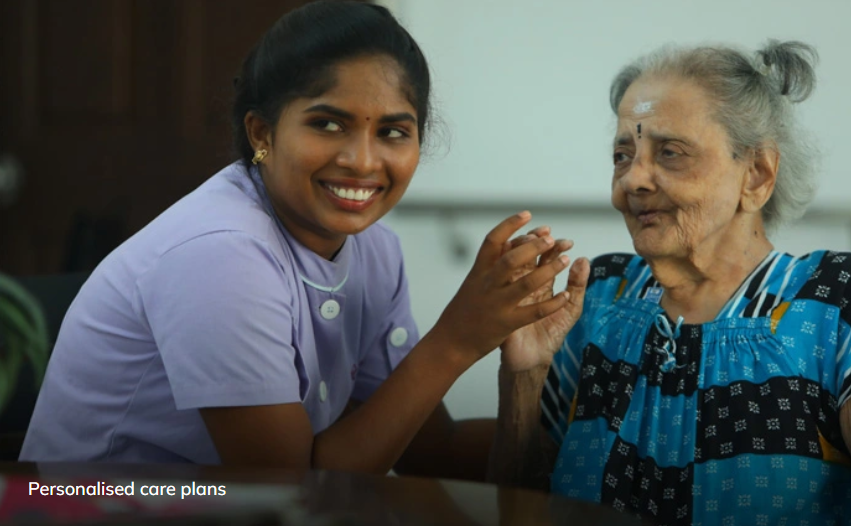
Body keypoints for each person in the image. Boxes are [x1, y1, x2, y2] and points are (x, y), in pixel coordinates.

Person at [20, 1, 577, 480]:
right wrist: (457, 338)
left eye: (392, 132)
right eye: (328, 124)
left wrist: (590, 434)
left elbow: (432, 450)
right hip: (93, 504)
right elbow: (296, 488)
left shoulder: (376, 252)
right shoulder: (221, 252)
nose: (362, 161)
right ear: (261, 132)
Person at [488, 40, 851, 525]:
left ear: (757, 175)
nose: (632, 180)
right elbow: (521, 507)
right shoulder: (600, 295)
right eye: (622, 155)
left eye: (671, 153)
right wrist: (524, 377)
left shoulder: (831, 301)